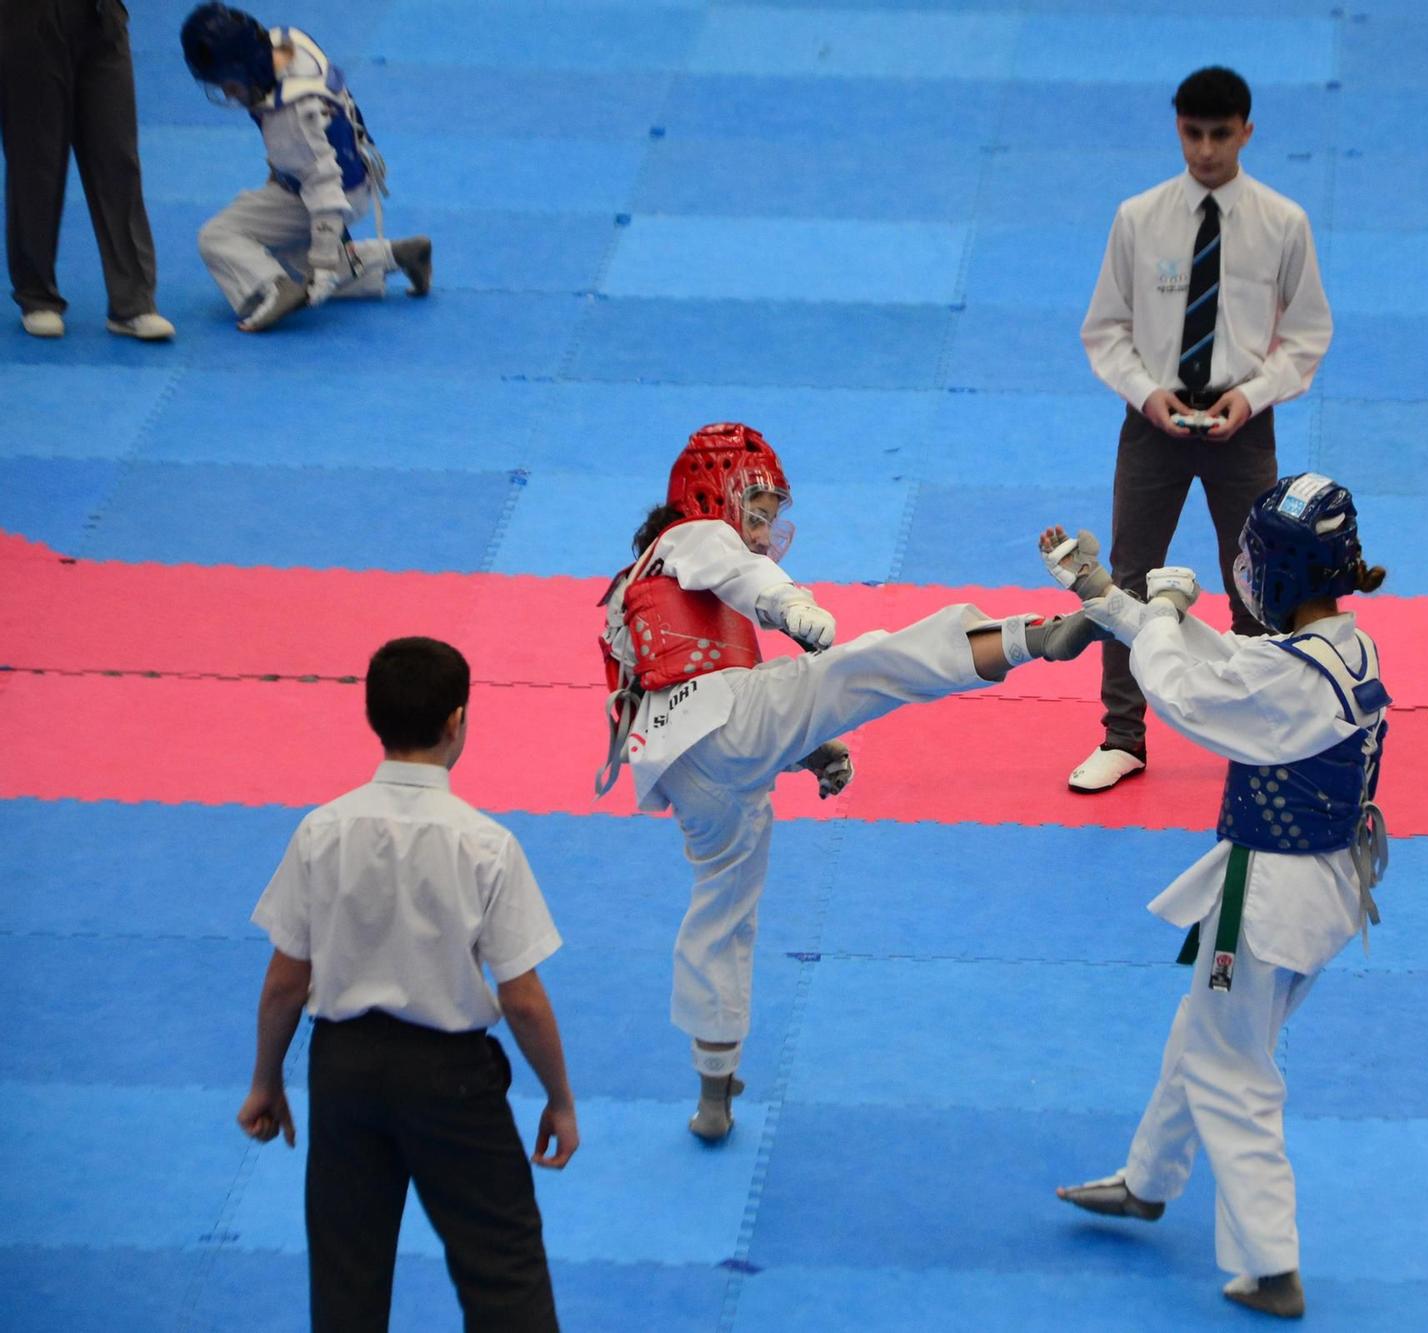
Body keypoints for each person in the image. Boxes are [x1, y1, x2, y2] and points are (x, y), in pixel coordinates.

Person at [596, 422, 1097, 1142]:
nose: (765, 533)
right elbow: (745, 577)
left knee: (722, 910)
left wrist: (796, 747)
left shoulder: (632, 581)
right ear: (716, 492)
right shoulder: (694, 537)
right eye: (758, 513)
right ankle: (1028, 637)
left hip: (684, 770)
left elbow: (693, 691)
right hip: (732, 726)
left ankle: (714, 1081)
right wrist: (795, 609)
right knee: (867, 665)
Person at [1040, 472, 1390, 1321]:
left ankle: (1273, 1266)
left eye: (1252, 559)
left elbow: (1181, 690)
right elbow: (1228, 660)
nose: (1240, 572)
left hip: (1268, 900)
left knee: (1233, 1069)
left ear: (1280, 572)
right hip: (1328, 893)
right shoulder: (1341, 649)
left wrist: (1158, 611)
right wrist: (1109, 597)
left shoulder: (1290, 680)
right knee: (1205, 1029)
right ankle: (1147, 1180)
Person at [239, 636, 575, 1332]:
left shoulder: (321, 831)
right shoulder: (484, 843)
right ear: (458, 720)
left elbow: (283, 983)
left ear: (372, 717)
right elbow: (521, 996)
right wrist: (560, 1097)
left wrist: (266, 1079)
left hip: (343, 1072)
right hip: (451, 1080)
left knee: (346, 1280)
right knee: (503, 1270)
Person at [1071, 65, 1333, 793]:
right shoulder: (1139, 217)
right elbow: (1105, 331)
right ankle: (1122, 735)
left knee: (1257, 580)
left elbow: (1307, 334)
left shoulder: (1284, 223)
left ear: (1247, 131)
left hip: (1241, 422)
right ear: (1177, 128)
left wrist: (1252, 396)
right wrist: (1146, 392)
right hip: (1153, 419)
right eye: (1193, 133)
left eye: (1221, 134)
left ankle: (1258, 730)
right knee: (1125, 577)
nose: (1207, 150)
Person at [179, 2, 430, 333]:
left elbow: (323, 187)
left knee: (219, 237)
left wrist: (325, 267)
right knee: (294, 261)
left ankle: (276, 288)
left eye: (231, 84)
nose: (229, 93)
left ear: (247, 69)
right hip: (351, 181)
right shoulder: (286, 45)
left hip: (328, 195)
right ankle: (396, 255)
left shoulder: (291, 116)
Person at [2, 0, 174, 340]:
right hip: (27, 19)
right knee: (36, 163)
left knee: (117, 158)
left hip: (100, 15)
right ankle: (37, 296)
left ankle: (133, 303)